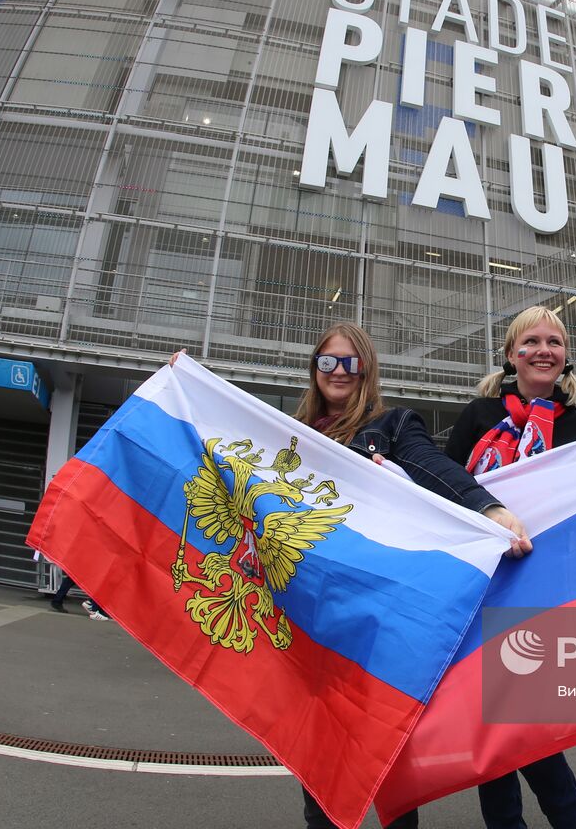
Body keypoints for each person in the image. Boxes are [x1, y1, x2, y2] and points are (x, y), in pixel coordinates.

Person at [176, 323, 530, 829]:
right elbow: (224, 449)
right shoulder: (287, 437)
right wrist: (187, 386)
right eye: (327, 362)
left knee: (387, 766)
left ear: (365, 368)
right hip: (305, 621)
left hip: (371, 623)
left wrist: (487, 507)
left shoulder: (391, 424)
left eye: (349, 361)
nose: (338, 371)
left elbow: (432, 466)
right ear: (314, 370)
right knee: (316, 761)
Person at [443, 305, 576, 829]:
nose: (543, 350)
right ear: (511, 355)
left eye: (554, 341)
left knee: (529, 728)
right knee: (490, 731)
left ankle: (571, 821)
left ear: (566, 357)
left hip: (545, 592)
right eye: (531, 342)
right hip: (482, 586)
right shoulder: (477, 416)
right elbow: (441, 484)